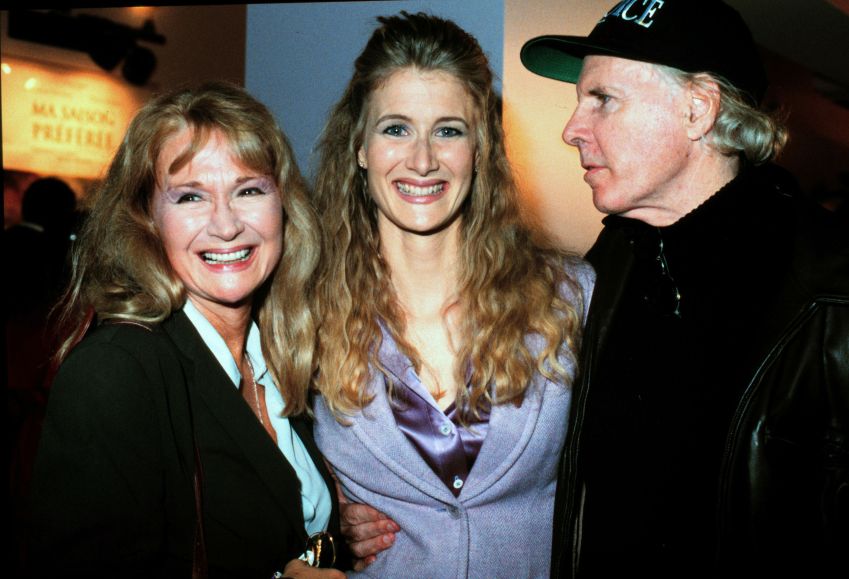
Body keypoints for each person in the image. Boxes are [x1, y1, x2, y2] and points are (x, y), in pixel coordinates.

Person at [520, 1, 849, 577]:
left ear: (698, 109)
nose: (572, 129)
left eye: (603, 99)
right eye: (580, 101)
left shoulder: (831, 291)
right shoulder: (601, 272)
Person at [309, 11, 594, 578]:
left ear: (480, 147)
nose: (422, 159)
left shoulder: (572, 298)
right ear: (360, 148)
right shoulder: (303, 314)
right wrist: (322, 517)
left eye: (448, 130)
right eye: (395, 129)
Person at [27, 82, 348, 579]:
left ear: (283, 203)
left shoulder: (284, 353)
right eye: (191, 196)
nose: (225, 225)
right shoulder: (115, 373)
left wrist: (345, 530)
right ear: (146, 219)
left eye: (248, 189)